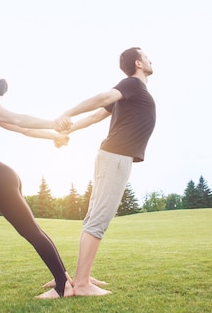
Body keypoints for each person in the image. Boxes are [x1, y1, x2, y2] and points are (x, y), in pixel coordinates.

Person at [0, 70, 74, 299]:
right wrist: (54, 136)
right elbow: (25, 129)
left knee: (30, 231)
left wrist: (54, 124)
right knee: (32, 229)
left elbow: (20, 120)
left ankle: (62, 287)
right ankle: (63, 276)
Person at [55, 47, 156, 296]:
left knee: (93, 217)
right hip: (116, 157)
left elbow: (97, 116)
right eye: (147, 56)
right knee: (99, 218)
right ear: (138, 63)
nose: (151, 58)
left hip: (112, 156)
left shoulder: (130, 93)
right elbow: (101, 99)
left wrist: (69, 130)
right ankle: (81, 284)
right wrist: (67, 113)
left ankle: (82, 276)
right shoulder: (132, 84)